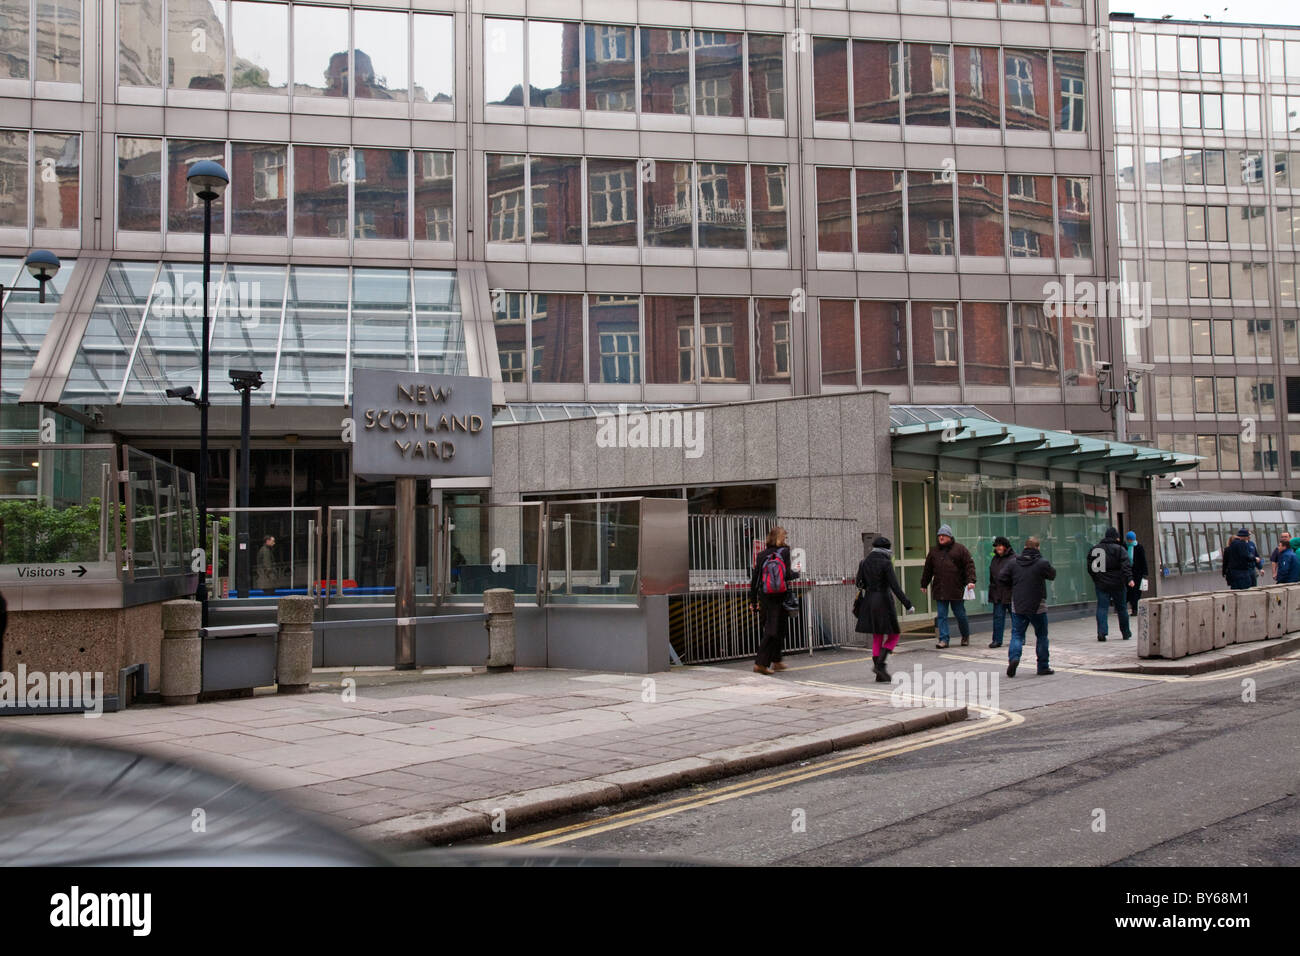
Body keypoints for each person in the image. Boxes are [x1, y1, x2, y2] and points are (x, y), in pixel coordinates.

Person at [855, 536, 914, 682]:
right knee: (894, 635)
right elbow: (895, 586)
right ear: (887, 549)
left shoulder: (864, 562)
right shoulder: (886, 563)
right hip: (884, 601)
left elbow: (858, 582)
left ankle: (879, 674)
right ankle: (880, 665)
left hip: (869, 601)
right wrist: (908, 604)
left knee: (877, 636)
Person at [996, 536, 1057, 677]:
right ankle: (1043, 666)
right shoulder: (1042, 563)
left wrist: (1015, 586)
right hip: (1038, 605)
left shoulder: (1013, 563)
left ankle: (1014, 658)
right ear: (1038, 548)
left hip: (1018, 603)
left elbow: (1001, 577)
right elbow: (1052, 575)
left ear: (1024, 548)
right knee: (1041, 635)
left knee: (1017, 634)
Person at [749, 526, 799, 675]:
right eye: (785, 536)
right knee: (772, 630)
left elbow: (755, 579)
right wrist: (796, 573)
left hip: (765, 596)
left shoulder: (762, 554)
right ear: (780, 538)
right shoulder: (784, 552)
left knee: (779, 628)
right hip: (780, 596)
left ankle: (776, 661)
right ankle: (760, 664)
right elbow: (787, 575)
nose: (786, 539)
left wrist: (753, 600)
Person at [920, 524, 976, 649]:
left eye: (943, 535)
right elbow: (928, 569)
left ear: (950, 536)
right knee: (942, 615)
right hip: (940, 589)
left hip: (956, 589)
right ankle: (943, 639)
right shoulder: (934, 552)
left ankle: (965, 635)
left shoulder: (960, 549)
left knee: (960, 614)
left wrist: (971, 581)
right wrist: (924, 583)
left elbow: (969, 566)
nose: (941, 537)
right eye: (939, 535)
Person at [1088, 526, 1133, 641]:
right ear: (1115, 537)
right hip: (1118, 584)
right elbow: (1126, 566)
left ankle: (1102, 632)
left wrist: (1096, 579)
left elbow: (1091, 567)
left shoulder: (1095, 549)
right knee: (1122, 608)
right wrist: (1129, 579)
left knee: (1102, 608)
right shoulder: (1119, 549)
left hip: (1102, 584)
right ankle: (1125, 632)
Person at [987, 536, 1016, 649]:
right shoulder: (995, 559)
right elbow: (992, 576)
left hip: (1010, 593)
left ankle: (1019, 638)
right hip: (997, 593)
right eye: (996, 546)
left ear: (1005, 546)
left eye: (1000, 545)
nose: (998, 548)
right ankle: (997, 640)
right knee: (998, 617)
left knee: (1016, 618)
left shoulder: (1014, 558)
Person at [1125, 530, 1149, 618]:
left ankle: (1135, 609)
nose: (1129, 541)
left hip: (1138, 573)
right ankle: (1133, 608)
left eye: (1131, 539)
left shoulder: (1139, 547)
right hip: (1128, 573)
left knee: (1136, 592)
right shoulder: (1125, 547)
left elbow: (1143, 560)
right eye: (1128, 539)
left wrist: (1145, 573)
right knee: (1130, 591)